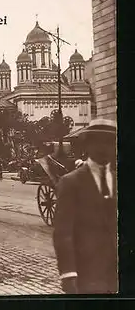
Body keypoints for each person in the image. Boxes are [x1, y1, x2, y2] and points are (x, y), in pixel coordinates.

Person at [53, 119, 117, 294]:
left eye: (110, 142)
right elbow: (63, 233)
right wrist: (68, 274)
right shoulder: (71, 182)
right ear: (88, 144)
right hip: (87, 273)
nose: (104, 148)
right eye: (98, 142)